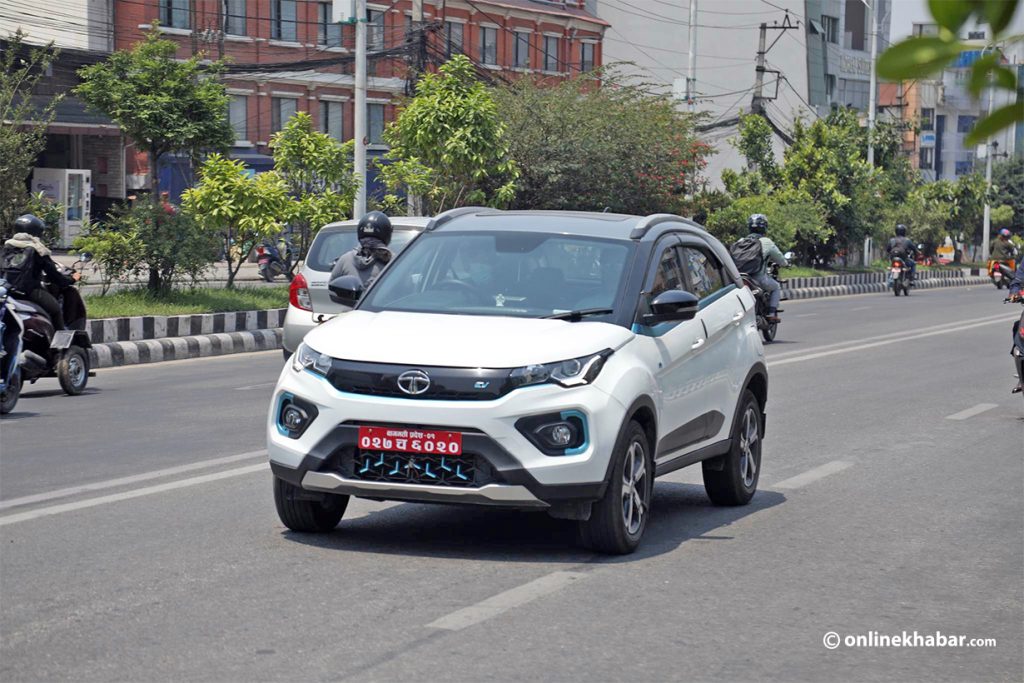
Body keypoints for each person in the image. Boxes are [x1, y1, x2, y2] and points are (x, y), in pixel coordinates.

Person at [0, 214, 79, 329]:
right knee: (55, 309)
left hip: (6, 290)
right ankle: (60, 341)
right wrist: (72, 278)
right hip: (28, 291)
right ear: (37, 232)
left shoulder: (6, 247)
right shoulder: (38, 249)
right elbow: (55, 277)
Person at [330, 211, 393, 289]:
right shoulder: (395, 262)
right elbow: (407, 289)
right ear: (388, 234)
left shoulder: (345, 259)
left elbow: (332, 289)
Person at [746, 214, 787, 323]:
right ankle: (771, 313)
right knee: (776, 287)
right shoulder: (766, 242)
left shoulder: (741, 241)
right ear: (764, 227)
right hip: (759, 279)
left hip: (741, 279)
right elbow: (781, 260)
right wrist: (785, 263)